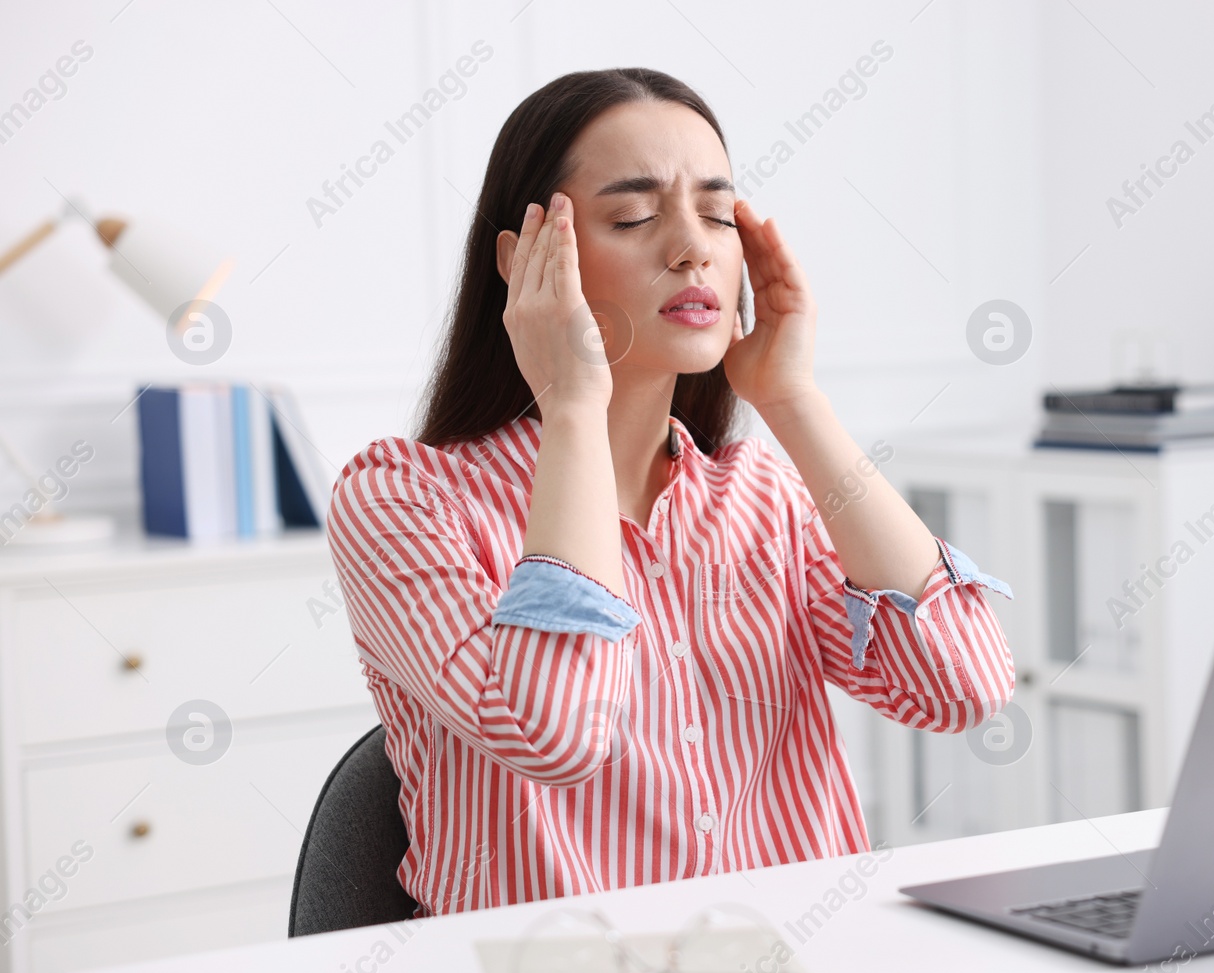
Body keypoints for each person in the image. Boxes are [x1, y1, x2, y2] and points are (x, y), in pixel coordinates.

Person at [327, 67, 1015, 916]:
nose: (693, 247)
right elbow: (555, 731)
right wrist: (571, 406)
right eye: (634, 216)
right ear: (525, 262)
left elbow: (964, 684)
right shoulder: (405, 500)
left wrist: (794, 403)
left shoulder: (760, 495)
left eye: (719, 214)